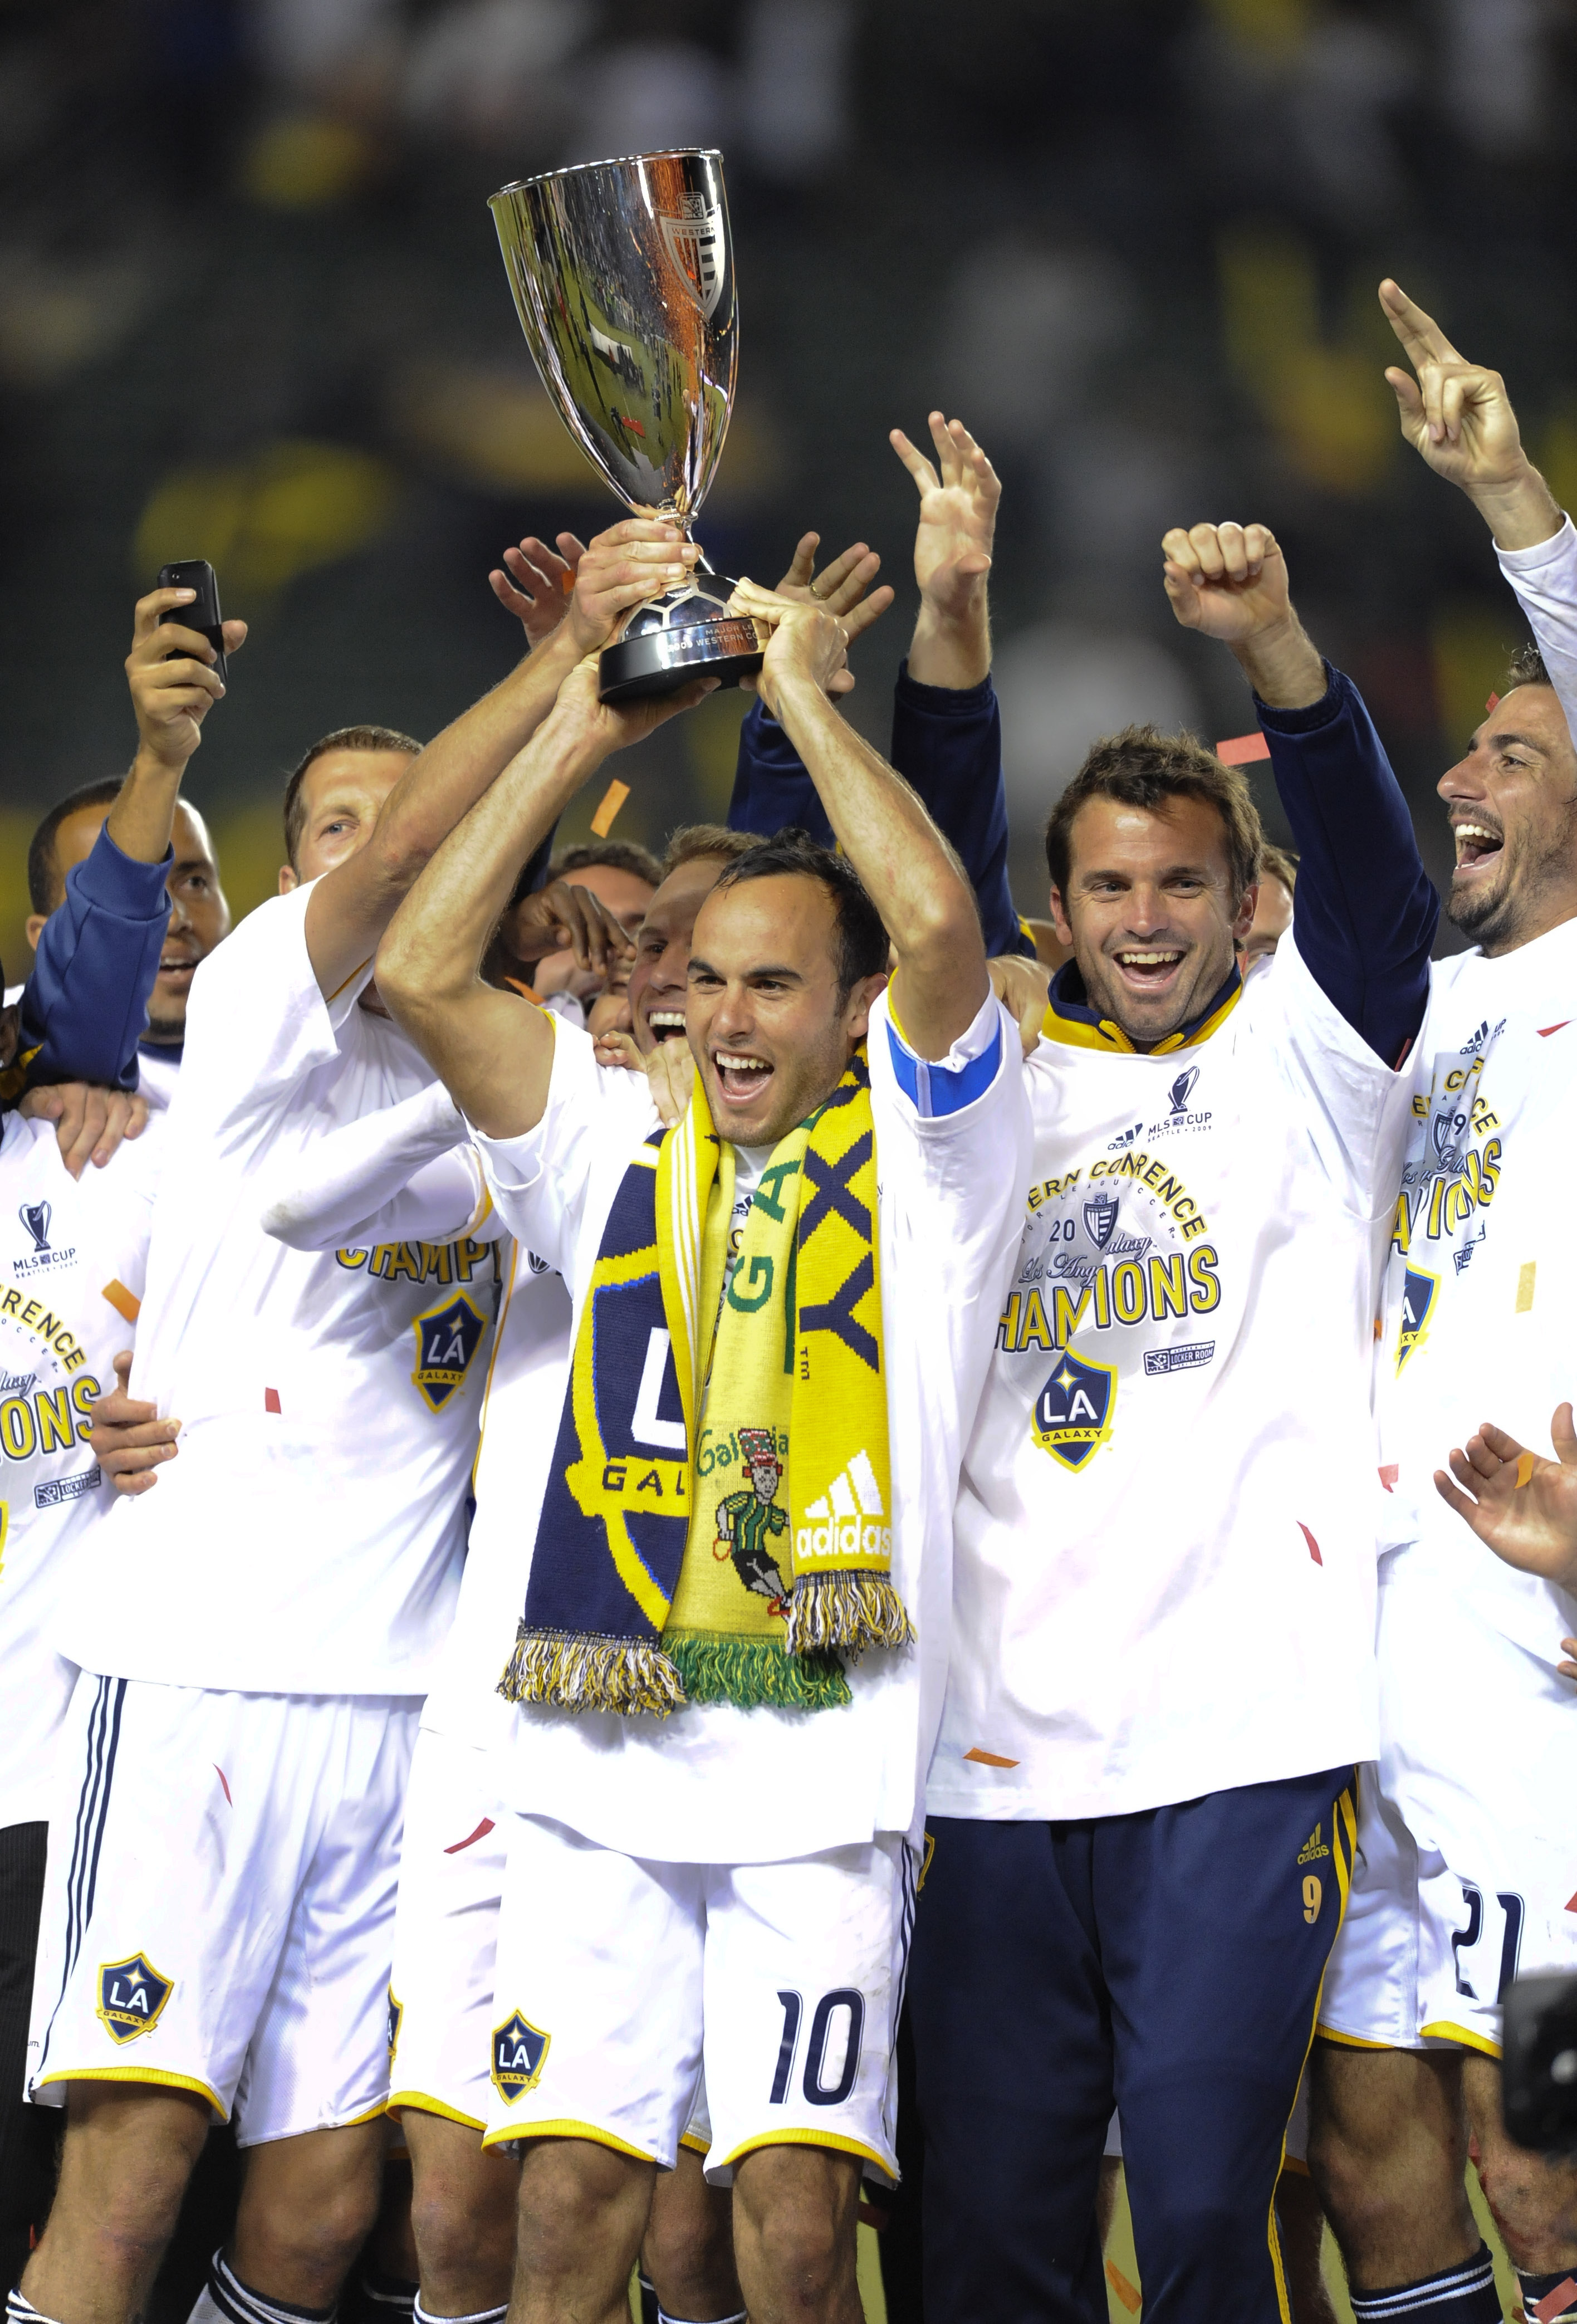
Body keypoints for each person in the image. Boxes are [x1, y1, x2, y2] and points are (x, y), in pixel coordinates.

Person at [13, 518, 690, 2324]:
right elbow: (399, 873)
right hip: (196, 1680)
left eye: (415, 825)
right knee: (130, 2183)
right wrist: (563, 671)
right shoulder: (254, 1014)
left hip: (402, 1704)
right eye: (332, 832)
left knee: (318, 2220)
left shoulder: (526, 1092)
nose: (379, 854)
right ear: (293, 875)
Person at [373, 585, 1030, 2324]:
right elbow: (428, 969)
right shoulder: (605, 1150)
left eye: (775, 985)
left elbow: (944, 924)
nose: (730, 1018)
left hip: (819, 1777)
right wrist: (584, 722)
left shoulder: (929, 1170)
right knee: (570, 2202)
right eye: (708, 979)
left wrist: (810, 698)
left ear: (846, 1009)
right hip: (600, 1761)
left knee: (795, 2229)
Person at [909, 507, 1439, 2324]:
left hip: (1239, 1740)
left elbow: (1379, 875)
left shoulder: (1311, 1055)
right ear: (1052, 914)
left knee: (1213, 2215)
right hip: (983, 1753)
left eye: (1183, 887)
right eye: (1112, 890)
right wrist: (951, 619)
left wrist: (1276, 643)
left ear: (1239, 903)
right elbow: (924, 869)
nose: (1147, 921)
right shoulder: (978, 1080)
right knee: (986, 2243)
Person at [1307, 285, 1577, 2324]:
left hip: (1512, 1575)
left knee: (1529, 2105)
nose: (1463, 771)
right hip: (1349, 1586)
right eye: (1460, 744)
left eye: (1515, 745)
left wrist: (1508, 498)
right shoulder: (1415, 1007)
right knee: (1364, 2102)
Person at [1, 579, 245, 2293]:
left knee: (177, 2209)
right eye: (128, 885)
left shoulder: (267, 1106)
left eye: (193, 876)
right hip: (26, 1755)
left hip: (156, 1758)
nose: (169, 909)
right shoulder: (35, 1115)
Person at [25, 778, 231, 1112]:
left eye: (195, 883)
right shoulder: (17, 1056)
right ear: (44, 939)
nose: (173, 919)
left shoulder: (309, 1026)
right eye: (120, 903)